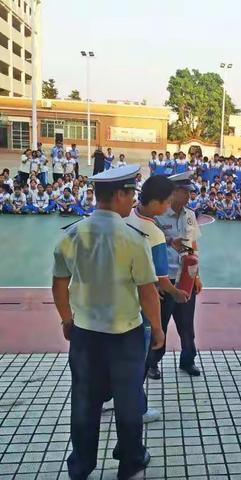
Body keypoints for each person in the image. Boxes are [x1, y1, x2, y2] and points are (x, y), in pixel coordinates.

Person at [52, 164, 164, 480]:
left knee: (84, 402)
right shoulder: (133, 238)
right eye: (131, 194)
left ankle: (81, 465)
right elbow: (148, 292)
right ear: (118, 195)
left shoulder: (71, 235)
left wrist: (66, 320)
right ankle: (130, 463)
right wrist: (157, 328)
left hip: (85, 335)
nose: (132, 202)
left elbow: (59, 284)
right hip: (124, 335)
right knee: (128, 403)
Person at [147, 171, 203, 379]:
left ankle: (188, 360)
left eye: (189, 192)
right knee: (159, 323)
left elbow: (193, 245)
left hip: (185, 277)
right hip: (164, 278)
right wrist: (153, 282)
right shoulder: (158, 215)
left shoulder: (189, 215)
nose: (188, 196)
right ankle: (152, 362)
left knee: (186, 323)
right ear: (173, 192)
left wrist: (196, 275)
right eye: (184, 191)